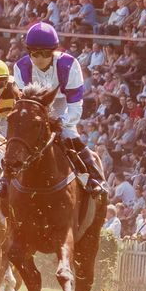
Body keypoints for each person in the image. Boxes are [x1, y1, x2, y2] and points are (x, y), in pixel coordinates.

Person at [11, 22, 105, 190]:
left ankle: (94, 177)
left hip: (63, 103)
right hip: (35, 108)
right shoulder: (20, 67)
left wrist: (61, 121)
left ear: (54, 51)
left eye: (45, 53)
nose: (39, 58)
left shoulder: (69, 65)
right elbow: (24, 105)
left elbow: (75, 105)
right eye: (34, 53)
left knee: (70, 134)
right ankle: (4, 178)